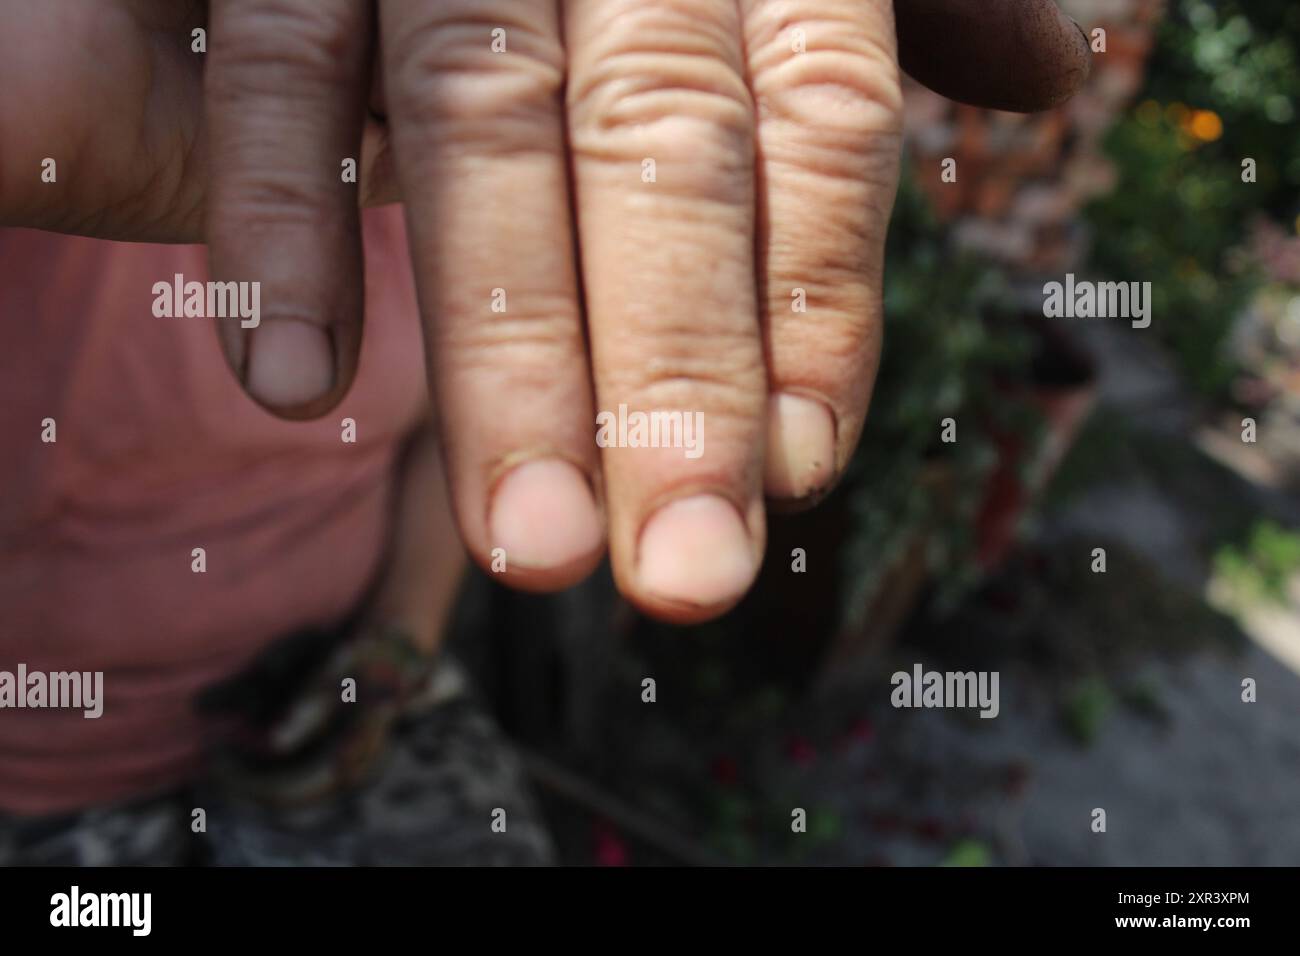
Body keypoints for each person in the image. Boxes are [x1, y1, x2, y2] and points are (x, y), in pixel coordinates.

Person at [0, 0, 1090, 864]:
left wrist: (397, 644)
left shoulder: (421, 149)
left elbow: (437, 431)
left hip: (342, 692)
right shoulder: (72, 128)